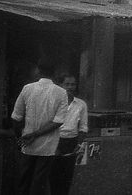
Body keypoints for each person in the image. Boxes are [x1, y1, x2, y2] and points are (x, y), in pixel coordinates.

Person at [11, 58, 68, 195]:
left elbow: (16, 117)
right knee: (39, 182)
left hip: (27, 144)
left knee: (23, 181)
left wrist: (20, 137)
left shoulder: (27, 89)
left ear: (38, 71)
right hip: (48, 146)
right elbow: (58, 122)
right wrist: (35, 135)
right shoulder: (61, 92)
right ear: (54, 73)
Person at [50, 74, 88, 195]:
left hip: (71, 143)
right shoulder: (53, 102)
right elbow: (48, 124)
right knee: (52, 178)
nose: (70, 87)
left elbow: (83, 127)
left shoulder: (81, 104)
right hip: (54, 141)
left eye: (73, 84)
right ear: (61, 85)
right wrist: (53, 145)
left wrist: (79, 144)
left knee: (67, 178)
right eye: (67, 84)